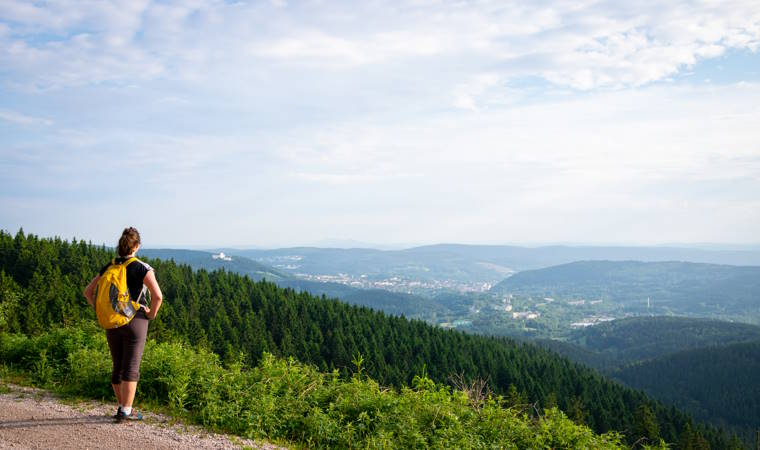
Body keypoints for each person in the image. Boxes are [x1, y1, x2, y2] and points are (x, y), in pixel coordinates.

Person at [83, 227, 163, 422]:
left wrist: (103, 309)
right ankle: (127, 411)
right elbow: (158, 296)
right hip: (135, 320)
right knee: (131, 366)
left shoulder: (109, 267)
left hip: (113, 321)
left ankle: (122, 407)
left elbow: (88, 292)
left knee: (118, 364)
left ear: (120, 246)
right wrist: (151, 314)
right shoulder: (141, 267)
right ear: (136, 246)